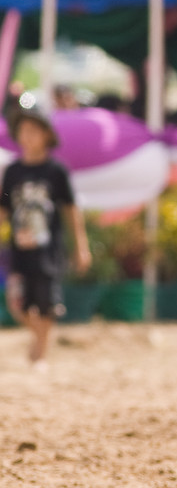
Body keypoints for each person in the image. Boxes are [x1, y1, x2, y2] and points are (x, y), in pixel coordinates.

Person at [0, 106, 91, 366]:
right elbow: (4, 209)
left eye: (32, 131)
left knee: (46, 303)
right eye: (22, 131)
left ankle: (40, 352)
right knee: (18, 303)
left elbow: (71, 210)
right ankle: (39, 339)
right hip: (19, 248)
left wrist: (80, 247)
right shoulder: (13, 171)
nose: (26, 136)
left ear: (46, 135)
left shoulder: (56, 171)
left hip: (48, 250)